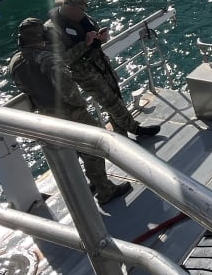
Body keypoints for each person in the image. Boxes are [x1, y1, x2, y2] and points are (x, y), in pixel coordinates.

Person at [8, 17, 132, 205]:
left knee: (70, 152)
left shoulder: (15, 62)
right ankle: (105, 190)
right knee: (93, 149)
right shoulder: (48, 58)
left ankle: (87, 185)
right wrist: (80, 105)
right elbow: (67, 89)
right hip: (71, 112)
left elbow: (23, 87)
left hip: (47, 114)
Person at [44, 0, 159, 138]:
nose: (83, 14)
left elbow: (97, 35)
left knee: (116, 97)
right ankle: (136, 129)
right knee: (110, 102)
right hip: (85, 73)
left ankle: (121, 136)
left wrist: (102, 37)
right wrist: (84, 44)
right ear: (69, 8)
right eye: (80, 11)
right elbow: (62, 59)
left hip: (102, 64)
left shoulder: (85, 18)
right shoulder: (52, 29)